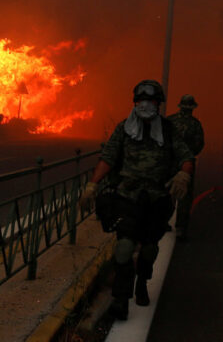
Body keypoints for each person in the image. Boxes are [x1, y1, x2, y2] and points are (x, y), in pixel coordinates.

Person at [79, 79, 194, 320]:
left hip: (157, 199)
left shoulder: (168, 130)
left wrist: (184, 174)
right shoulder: (124, 128)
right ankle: (121, 300)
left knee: (149, 249)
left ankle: (142, 281)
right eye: (141, 100)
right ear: (134, 102)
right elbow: (108, 158)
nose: (145, 105)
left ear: (158, 104)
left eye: (150, 100)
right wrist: (92, 185)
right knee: (124, 248)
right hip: (127, 197)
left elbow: (186, 157)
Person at [167, 94, 204, 240]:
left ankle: (163, 221)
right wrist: (188, 154)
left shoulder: (169, 121)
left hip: (169, 162)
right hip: (186, 164)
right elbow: (199, 145)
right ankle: (181, 228)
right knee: (185, 196)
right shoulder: (195, 124)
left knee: (166, 192)